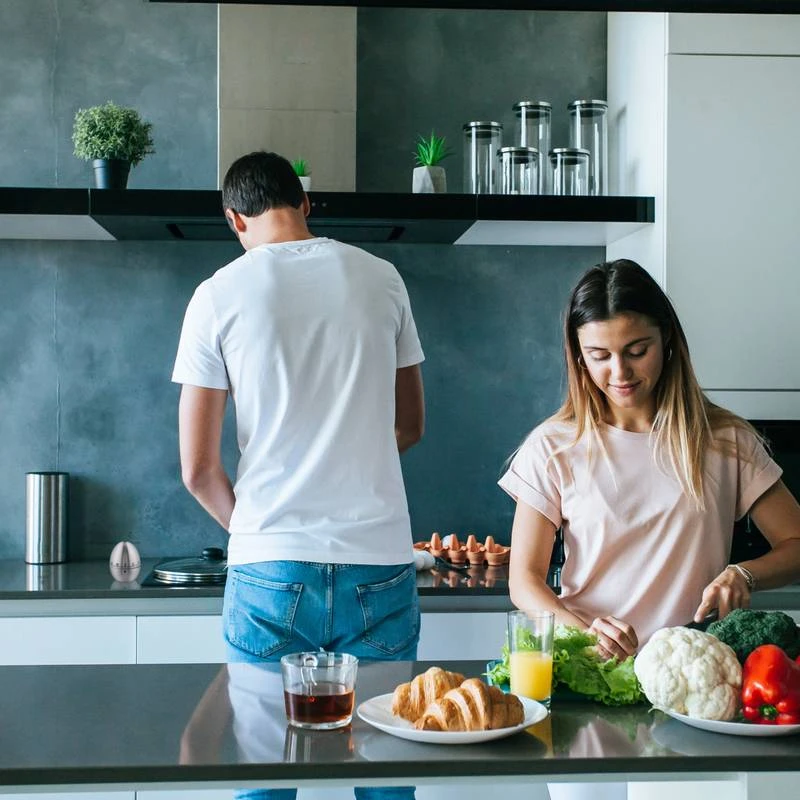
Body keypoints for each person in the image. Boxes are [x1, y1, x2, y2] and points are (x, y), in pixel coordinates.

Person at [172, 150, 425, 800]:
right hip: (380, 563)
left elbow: (198, 469)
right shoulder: (383, 278)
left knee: (267, 784)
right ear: (307, 204)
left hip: (270, 571)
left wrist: (258, 528)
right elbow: (409, 425)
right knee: (387, 780)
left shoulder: (216, 295)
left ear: (235, 219)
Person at [498, 259, 800, 800]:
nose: (620, 372)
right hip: (588, 684)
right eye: (600, 356)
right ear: (578, 357)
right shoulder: (554, 445)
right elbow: (524, 580)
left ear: (668, 342)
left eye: (637, 350)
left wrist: (744, 574)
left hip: (695, 696)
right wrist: (583, 629)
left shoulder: (725, 439)